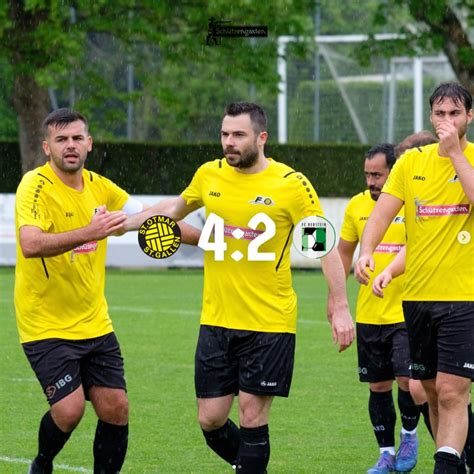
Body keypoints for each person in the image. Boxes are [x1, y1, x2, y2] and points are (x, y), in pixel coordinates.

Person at [124, 102, 355, 472]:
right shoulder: (209, 175)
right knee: (210, 419)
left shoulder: (291, 185)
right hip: (216, 319)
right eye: (224, 134)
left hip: (269, 322)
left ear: (261, 138)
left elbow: (322, 245)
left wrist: (339, 303)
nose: (228, 142)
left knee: (251, 415)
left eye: (238, 135)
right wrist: (126, 223)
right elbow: (174, 210)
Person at [14, 108, 199, 473]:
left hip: (95, 322)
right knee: (69, 411)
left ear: (89, 143)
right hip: (45, 323)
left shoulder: (101, 186)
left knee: (116, 408)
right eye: (61, 139)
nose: (71, 146)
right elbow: (30, 244)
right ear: (46, 147)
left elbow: (152, 217)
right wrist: (91, 231)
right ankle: (42, 463)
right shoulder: (34, 186)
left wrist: (212, 241)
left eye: (77, 138)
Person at [355, 82, 474, 473]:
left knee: (455, 390)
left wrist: (456, 154)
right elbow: (382, 213)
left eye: (454, 114)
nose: (446, 121)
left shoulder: (471, 157)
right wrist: (368, 251)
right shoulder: (410, 164)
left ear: (469, 117)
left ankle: (446, 465)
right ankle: (456, 456)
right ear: (430, 116)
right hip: (418, 298)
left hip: (464, 297)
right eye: (439, 114)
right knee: (433, 393)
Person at [337, 143, 422, 473]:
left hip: (405, 311)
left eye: (378, 174)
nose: (371, 181)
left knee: (406, 380)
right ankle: (386, 453)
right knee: (378, 386)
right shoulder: (356, 206)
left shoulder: (409, 204)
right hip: (369, 313)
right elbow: (345, 251)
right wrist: (339, 295)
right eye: (367, 174)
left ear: (393, 172)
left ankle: (410, 435)